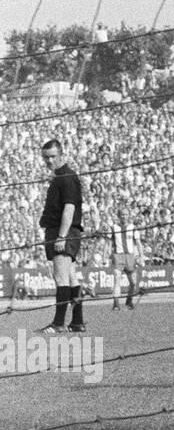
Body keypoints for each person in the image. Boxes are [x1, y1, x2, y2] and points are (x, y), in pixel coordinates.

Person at [37, 139, 87, 334]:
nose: (49, 161)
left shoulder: (66, 177)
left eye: (52, 157)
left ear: (61, 155)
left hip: (62, 231)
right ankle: (77, 322)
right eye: (45, 157)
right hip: (62, 231)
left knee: (60, 277)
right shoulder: (61, 177)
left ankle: (58, 323)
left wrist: (61, 236)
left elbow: (69, 207)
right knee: (71, 277)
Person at [109, 208, 142, 310]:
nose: (124, 216)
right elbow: (109, 243)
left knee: (133, 282)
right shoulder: (114, 228)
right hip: (118, 256)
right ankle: (116, 304)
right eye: (122, 214)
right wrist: (107, 255)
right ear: (119, 216)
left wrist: (141, 256)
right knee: (117, 279)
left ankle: (129, 300)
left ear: (129, 215)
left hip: (130, 256)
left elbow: (138, 243)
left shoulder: (133, 227)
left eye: (126, 214)